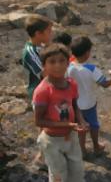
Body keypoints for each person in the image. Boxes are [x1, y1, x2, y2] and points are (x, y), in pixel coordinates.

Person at [33, 43, 87, 182]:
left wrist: (80, 120)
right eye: (52, 62)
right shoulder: (43, 91)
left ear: (68, 62)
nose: (58, 65)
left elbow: (75, 105)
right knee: (58, 175)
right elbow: (39, 121)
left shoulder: (72, 83)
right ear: (44, 65)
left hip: (71, 137)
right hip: (51, 141)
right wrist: (69, 124)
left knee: (77, 171)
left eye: (62, 61)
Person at [67, 36, 111, 156]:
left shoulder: (69, 67)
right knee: (94, 125)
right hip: (89, 103)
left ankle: (82, 150)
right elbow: (105, 84)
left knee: (81, 128)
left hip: (76, 104)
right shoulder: (91, 69)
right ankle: (96, 146)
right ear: (87, 53)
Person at [22, 15, 53, 102]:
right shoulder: (30, 52)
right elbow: (46, 74)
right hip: (39, 93)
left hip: (48, 89)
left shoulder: (42, 45)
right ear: (38, 34)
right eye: (49, 31)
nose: (51, 34)